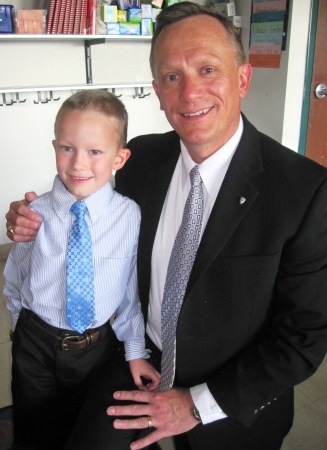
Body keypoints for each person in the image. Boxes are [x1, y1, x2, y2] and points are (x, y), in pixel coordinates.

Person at [5, 3, 327, 450]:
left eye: (207, 68)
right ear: (157, 90)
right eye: (172, 77)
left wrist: (197, 404)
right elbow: (94, 212)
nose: (189, 93)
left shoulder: (304, 191)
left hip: (230, 392)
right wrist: (29, 218)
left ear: (243, 79)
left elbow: (304, 337)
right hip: (137, 358)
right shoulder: (142, 159)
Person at [3, 89, 160, 450]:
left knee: (81, 426)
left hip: (95, 348)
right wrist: (20, 327)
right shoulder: (35, 213)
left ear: (119, 158)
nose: (78, 164)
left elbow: (127, 291)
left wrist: (135, 350)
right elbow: (16, 276)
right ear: (54, 146)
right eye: (67, 148)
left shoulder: (128, 216)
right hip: (35, 344)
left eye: (95, 152)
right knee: (34, 425)